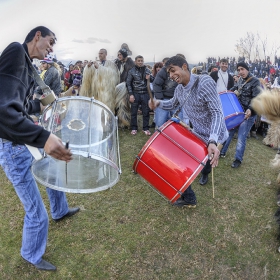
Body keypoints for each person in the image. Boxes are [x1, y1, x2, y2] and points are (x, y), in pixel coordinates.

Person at [0, 26, 80, 271]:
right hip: (12, 146)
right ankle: (30, 255)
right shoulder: (15, 51)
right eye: (50, 41)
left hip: (22, 140)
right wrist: (43, 137)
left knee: (52, 172)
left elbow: (20, 107)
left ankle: (60, 210)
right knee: (36, 212)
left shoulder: (28, 65)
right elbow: (4, 111)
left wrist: (45, 106)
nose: (52, 47)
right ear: (37, 36)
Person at [149, 55, 228, 207]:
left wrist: (212, 140)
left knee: (205, 167)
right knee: (183, 162)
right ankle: (190, 198)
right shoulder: (179, 89)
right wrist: (157, 103)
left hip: (215, 135)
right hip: (197, 133)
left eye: (173, 70)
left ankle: (205, 172)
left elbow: (217, 113)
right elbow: (172, 103)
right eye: (169, 73)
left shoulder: (204, 82)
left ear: (184, 66)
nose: (171, 76)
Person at [220, 62, 261, 168]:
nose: (240, 72)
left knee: (241, 138)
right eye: (238, 70)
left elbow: (257, 99)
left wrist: (251, 110)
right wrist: (229, 91)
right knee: (229, 133)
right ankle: (222, 152)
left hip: (248, 115)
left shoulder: (255, 81)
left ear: (247, 69)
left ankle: (238, 159)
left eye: (242, 69)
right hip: (238, 112)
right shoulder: (241, 79)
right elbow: (236, 87)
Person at [127, 55, 154, 136]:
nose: (140, 62)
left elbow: (153, 80)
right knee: (134, 112)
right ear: (135, 61)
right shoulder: (131, 71)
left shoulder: (147, 70)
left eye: (141, 60)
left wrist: (149, 78)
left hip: (145, 93)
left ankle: (145, 128)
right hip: (135, 93)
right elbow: (128, 84)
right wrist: (131, 95)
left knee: (146, 112)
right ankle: (134, 128)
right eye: (138, 60)